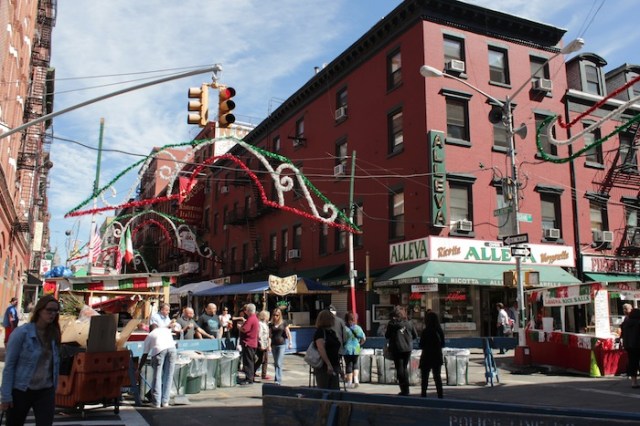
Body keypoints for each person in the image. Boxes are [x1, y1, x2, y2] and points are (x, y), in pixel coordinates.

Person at [1, 295, 61, 425]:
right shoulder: (21, 333)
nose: (53, 314)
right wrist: (5, 396)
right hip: (22, 390)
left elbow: (54, 364)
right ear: (39, 310)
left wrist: (54, 388)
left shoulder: (54, 334)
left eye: (56, 311)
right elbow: (10, 365)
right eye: (49, 310)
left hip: (46, 390)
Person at [138, 324, 177, 407]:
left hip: (159, 351)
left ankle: (157, 402)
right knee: (169, 375)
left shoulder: (150, 335)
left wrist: (139, 368)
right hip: (172, 349)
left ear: (150, 330)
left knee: (157, 376)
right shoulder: (165, 330)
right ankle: (165, 401)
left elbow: (145, 354)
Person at [385, 305, 417, 396]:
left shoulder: (392, 324)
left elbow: (387, 336)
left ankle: (404, 388)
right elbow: (415, 335)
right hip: (408, 348)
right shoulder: (409, 323)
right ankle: (406, 388)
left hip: (397, 348)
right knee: (404, 367)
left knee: (399, 368)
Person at [313, 310, 342, 390]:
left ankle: (334, 403)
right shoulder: (320, 332)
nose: (334, 320)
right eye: (332, 318)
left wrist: (339, 367)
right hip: (324, 366)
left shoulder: (332, 332)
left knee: (335, 390)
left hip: (334, 364)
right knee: (324, 390)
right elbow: (321, 348)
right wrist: (328, 364)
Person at [419, 311, 445, 398]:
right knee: (437, 376)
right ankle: (440, 394)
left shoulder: (425, 331)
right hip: (437, 355)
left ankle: (423, 393)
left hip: (426, 356)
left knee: (425, 377)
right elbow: (443, 344)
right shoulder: (439, 331)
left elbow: (421, 345)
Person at [269, 307, 292, 385]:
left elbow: (288, 333)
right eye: (274, 315)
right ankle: (277, 377)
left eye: (277, 315)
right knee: (276, 362)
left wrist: (290, 342)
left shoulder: (284, 323)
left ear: (280, 315)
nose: (275, 317)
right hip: (273, 344)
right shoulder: (271, 324)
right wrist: (268, 345)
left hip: (282, 345)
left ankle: (278, 380)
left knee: (279, 362)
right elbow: (269, 336)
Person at [343, 311, 366, 388]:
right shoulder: (357, 328)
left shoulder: (344, 329)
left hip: (347, 349)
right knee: (355, 364)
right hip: (356, 348)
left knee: (348, 365)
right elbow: (363, 338)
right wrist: (359, 344)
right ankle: (356, 380)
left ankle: (349, 382)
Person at [238, 303, 259, 385]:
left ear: (248, 311)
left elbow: (245, 329)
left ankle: (248, 378)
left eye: (246, 310)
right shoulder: (254, 318)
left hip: (248, 343)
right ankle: (250, 377)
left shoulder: (251, 319)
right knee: (250, 361)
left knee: (248, 361)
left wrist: (239, 327)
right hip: (252, 342)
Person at [620, 305, 640, 388]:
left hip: (629, 346)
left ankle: (633, 382)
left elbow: (623, 335)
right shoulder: (638, 322)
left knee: (632, 363)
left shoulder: (625, 323)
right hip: (638, 345)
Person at [254, 310, 271, 381]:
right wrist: (261, 344)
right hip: (262, 343)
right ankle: (256, 372)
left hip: (265, 343)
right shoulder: (260, 324)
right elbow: (259, 334)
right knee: (262, 359)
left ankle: (261, 373)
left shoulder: (265, 324)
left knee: (264, 359)